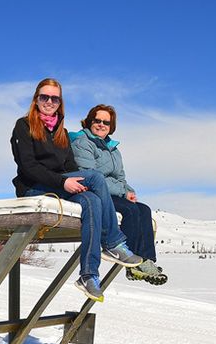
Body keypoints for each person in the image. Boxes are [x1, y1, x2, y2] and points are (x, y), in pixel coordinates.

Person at [10, 78, 143, 302]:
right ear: (36, 99)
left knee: (92, 199)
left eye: (55, 98)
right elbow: (28, 167)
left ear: (60, 102)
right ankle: (113, 242)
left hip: (57, 185)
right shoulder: (24, 126)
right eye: (45, 97)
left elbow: (70, 167)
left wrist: (73, 182)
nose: (49, 101)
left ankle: (88, 275)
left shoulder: (61, 132)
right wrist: (63, 183)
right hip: (34, 188)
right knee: (95, 176)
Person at [70, 104, 167, 285]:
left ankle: (145, 261)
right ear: (90, 122)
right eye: (97, 120)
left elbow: (120, 178)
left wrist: (128, 190)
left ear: (111, 126)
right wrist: (122, 191)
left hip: (112, 192)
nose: (101, 125)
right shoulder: (83, 143)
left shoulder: (114, 150)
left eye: (106, 122)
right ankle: (131, 261)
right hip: (94, 193)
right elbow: (89, 175)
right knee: (130, 211)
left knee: (144, 209)